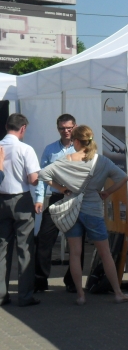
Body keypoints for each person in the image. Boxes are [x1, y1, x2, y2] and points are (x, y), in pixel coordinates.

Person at [38, 125, 128, 305]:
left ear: (76, 141)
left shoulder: (66, 160)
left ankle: (80, 295)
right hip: (93, 210)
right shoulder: (102, 161)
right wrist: (107, 192)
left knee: (74, 253)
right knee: (105, 253)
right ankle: (118, 293)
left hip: (72, 210)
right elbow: (123, 178)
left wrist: (61, 188)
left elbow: (43, 174)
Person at [34, 114, 84, 293]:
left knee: (77, 241)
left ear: (75, 127)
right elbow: (42, 175)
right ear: (58, 129)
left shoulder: (82, 148)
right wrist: (39, 199)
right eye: (62, 128)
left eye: (69, 128)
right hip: (57, 197)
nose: (66, 131)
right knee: (44, 238)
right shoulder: (51, 149)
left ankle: (72, 281)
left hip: (76, 198)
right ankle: (40, 280)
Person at [0, 113, 41, 307]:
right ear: (23, 128)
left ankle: (1, 294)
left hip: (1, 200)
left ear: (7, 126)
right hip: (21, 200)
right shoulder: (26, 149)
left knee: (2, 248)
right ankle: (25, 296)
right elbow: (33, 180)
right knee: (25, 248)